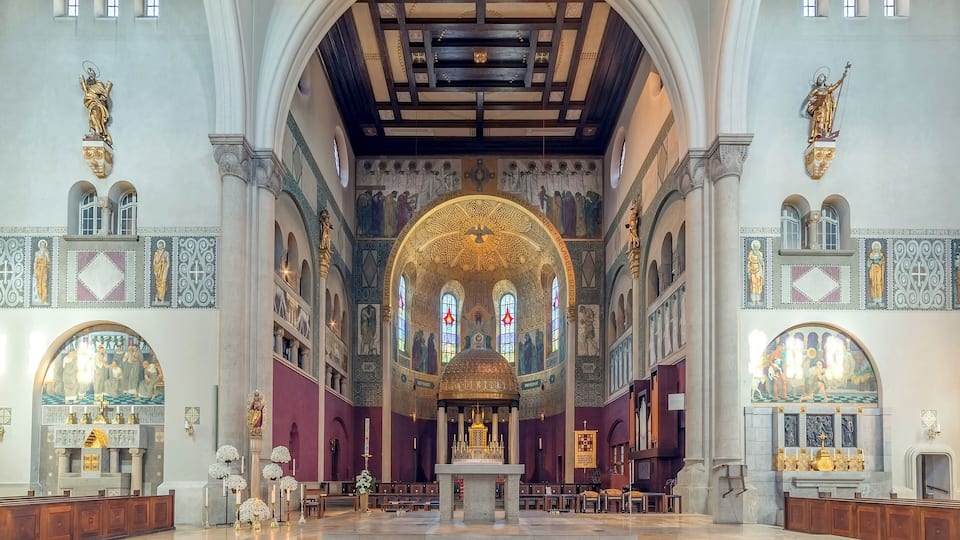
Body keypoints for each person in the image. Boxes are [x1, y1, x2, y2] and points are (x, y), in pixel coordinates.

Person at [804, 63, 851, 142]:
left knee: (826, 119)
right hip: (819, 107)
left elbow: (836, 85)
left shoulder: (827, 89)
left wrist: (843, 77)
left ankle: (824, 133)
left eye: (821, 77)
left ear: (824, 79)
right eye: (818, 78)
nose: (820, 78)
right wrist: (811, 99)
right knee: (820, 119)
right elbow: (809, 96)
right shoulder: (817, 89)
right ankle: (818, 134)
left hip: (826, 108)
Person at [79, 67, 113, 145]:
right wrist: (82, 81)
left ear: (94, 74)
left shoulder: (99, 83)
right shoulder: (88, 85)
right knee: (91, 115)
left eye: (92, 73)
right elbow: (86, 91)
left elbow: (104, 93)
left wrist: (103, 97)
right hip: (90, 102)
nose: (91, 75)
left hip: (98, 103)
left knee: (95, 114)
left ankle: (98, 132)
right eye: (89, 73)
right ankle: (93, 131)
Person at [747, 240, 765, 306]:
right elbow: (749, 263)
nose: (756, 247)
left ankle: (758, 301)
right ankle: (753, 301)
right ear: (753, 246)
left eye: (757, 246)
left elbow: (761, 262)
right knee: (753, 285)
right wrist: (748, 272)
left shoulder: (760, 253)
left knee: (758, 285)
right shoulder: (750, 253)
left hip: (758, 271)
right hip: (752, 271)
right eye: (755, 245)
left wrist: (761, 261)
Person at [153, 239, 170, 303]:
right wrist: (155, 270)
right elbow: (154, 263)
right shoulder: (156, 253)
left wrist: (166, 269)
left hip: (164, 270)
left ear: (163, 246)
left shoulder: (166, 253)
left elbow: (168, 262)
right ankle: (157, 297)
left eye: (161, 245)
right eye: (159, 245)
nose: (160, 246)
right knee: (158, 284)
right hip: (158, 271)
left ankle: (162, 298)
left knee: (163, 283)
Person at [34, 239, 50, 305]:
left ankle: (44, 299)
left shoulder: (46, 253)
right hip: (38, 270)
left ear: (45, 246)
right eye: (41, 245)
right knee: (38, 284)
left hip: (44, 270)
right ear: (40, 246)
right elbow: (35, 263)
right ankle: (39, 298)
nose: (42, 246)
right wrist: (35, 272)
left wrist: (47, 256)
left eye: (44, 245)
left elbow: (49, 262)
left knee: (44, 284)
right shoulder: (37, 253)